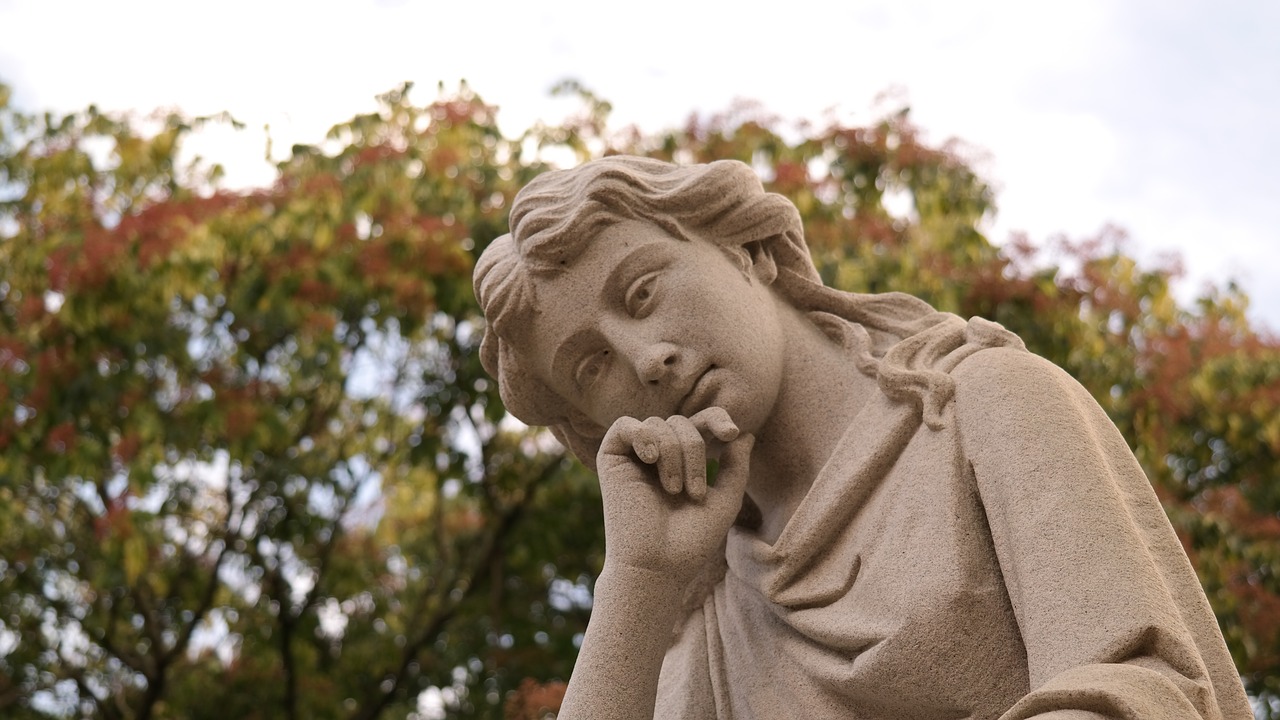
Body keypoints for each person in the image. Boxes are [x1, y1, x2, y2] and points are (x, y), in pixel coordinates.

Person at [473, 156, 1252, 720]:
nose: (649, 359)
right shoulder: (700, 609)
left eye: (643, 292)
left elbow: (1148, 687)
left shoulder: (982, 411)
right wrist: (638, 583)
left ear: (745, 250)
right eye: (591, 366)